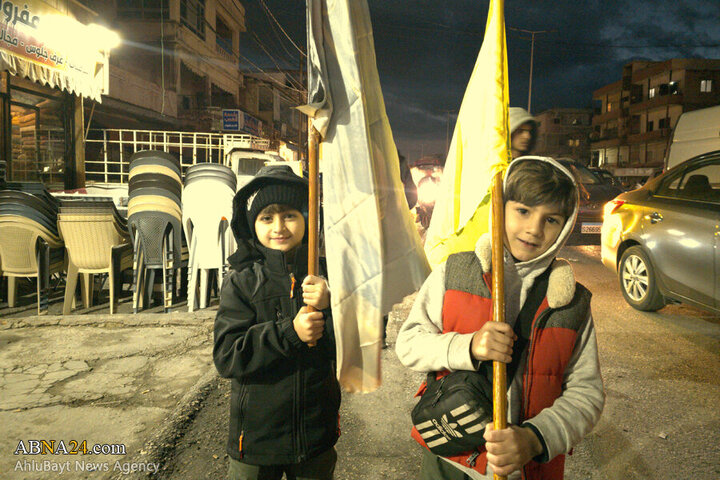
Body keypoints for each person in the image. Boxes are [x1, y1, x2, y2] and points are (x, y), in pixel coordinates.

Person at [396, 157, 604, 480]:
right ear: (501, 206)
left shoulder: (571, 304)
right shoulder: (455, 273)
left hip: (526, 469)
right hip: (450, 460)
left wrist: (536, 438)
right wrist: (468, 346)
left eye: (550, 219)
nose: (534, 229)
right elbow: (408, 343)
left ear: (566, 225)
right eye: (522, 211)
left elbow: (587, 394)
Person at [214, 164, 341, 480]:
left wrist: (332, 307)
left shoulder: (328, 278)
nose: (279, 226)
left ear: (308, 220)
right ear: (252, 224)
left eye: (290, 215)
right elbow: (228, 356)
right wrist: (290, 332)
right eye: (267, 217)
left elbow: (360, 345)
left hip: (315, 438)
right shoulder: (242, 282)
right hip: (256, 443)